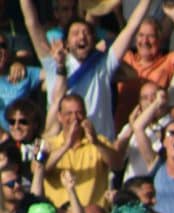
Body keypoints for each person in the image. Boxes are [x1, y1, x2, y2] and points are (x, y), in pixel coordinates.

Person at [22, 0, 152, 140]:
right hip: (64, 150)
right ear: (66, 43)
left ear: (94, 40)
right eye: (76, 33)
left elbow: (132, 27)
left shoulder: (104, 63)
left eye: (86, 33)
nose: (82, 36)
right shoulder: (53, 64)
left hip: (99, 146)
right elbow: (31, 23)